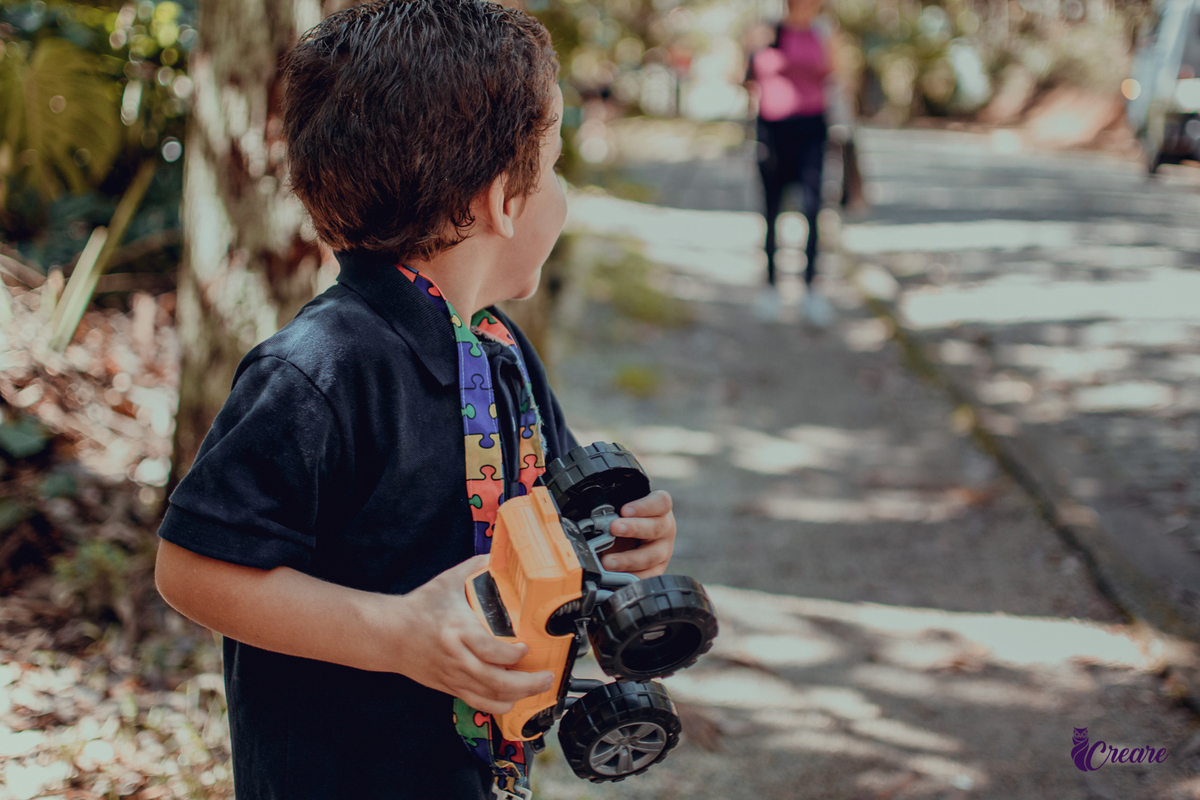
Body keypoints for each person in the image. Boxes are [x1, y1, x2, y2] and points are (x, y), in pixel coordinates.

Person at [152, 2, 678, 798]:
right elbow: (191, 568)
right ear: (505, 200)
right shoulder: (318, 371)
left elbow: (551, 524)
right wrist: (394, 635)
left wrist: (616, 543)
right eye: (557, 166)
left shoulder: (500, 351)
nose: (561, 192)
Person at [745, 0, 836, 326]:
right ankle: (770, 286)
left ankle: (811, 289)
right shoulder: (768, 30)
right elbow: (746, 76)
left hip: (811, 130)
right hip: (772, 130)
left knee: (812, 209)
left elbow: (836, 77)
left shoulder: (824, 33)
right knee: (771, 210)